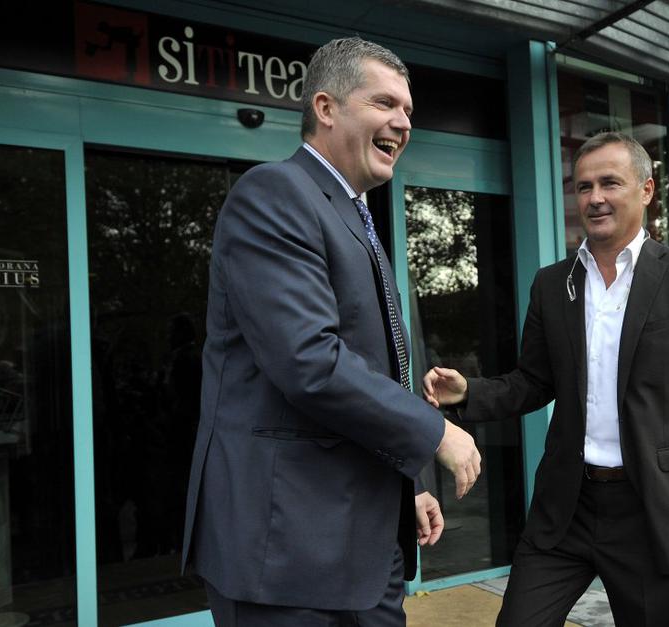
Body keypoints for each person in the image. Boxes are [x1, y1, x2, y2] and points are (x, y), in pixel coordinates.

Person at [181, 37, 482, 626]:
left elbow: (375, 368)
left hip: (364, 547)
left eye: (408, 110)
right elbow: (310, 360)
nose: (403, 122)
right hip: (287, 553)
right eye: (384, 103)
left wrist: (409, 483)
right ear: (325, 107)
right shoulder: (274, 193)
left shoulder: (355, 215)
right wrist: (434, 433)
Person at [423, 131, 669, 626]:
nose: (595, 198)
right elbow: (533, 381)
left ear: (646, 189)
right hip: (565, 507)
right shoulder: (552, 284)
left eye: (610, 183)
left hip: (651, 512)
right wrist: (470, 391)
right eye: (583, 186)